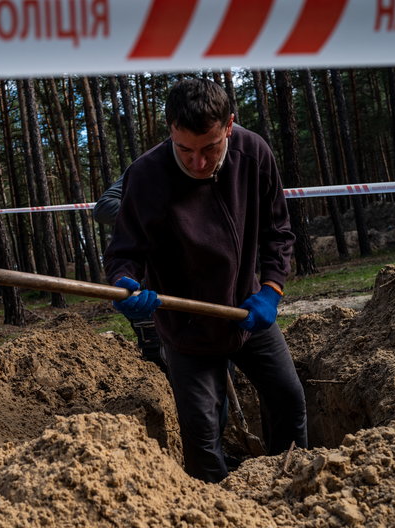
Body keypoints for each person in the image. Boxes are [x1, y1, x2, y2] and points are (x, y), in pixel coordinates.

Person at [103, 78, 307, 482]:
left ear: (229, 125)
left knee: (289, 398)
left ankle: (292, 484)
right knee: (202, 432)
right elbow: (125, 251)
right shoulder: (146, 176)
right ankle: (214, 508)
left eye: (210, 148)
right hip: (187, 326)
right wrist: (126, 284)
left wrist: (271, 290)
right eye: (185, 150)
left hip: (246, 311)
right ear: (171, 132)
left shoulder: (254, 154)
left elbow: (278, 232)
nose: (198, 163)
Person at [93, 176, 165, 370]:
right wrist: (159, 222)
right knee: (162, 361)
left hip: (202, 289)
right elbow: (104, 208)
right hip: (149, 286)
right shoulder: (150, 167)